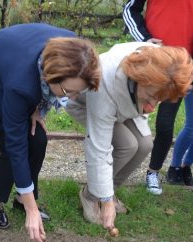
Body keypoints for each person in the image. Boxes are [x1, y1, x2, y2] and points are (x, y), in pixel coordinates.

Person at [0, 23, 100, 242]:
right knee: (10, 147)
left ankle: (22, 199)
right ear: (51, 76)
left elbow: (51, 89)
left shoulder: (76, 50)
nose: (73, 98)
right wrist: (33, 210)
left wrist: (39, 109)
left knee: (38, 140)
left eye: (79, 91)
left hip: (12, 64)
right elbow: (16, 145)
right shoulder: (21, 87)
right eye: (69, 91)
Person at [66, 42, 193, 229]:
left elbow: (149, 99)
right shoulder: (105, 82)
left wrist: (151, 96)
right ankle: (90, 196)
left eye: (159, 99)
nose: (152, 106)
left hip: (126, 104)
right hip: (90, 104)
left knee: (144, 145)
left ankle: (109, 190)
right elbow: (98, 149)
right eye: (151, 97)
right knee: (127, 145)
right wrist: (106, 201)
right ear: (139, 79)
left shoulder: (161, 65)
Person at [123, 0, 193, 194]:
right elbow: (130, 9)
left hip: (181, 65)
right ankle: (115, 167)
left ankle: (153, 172)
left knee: (165, 124)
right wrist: (144, 39)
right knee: (127, 115)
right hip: (150, 59)